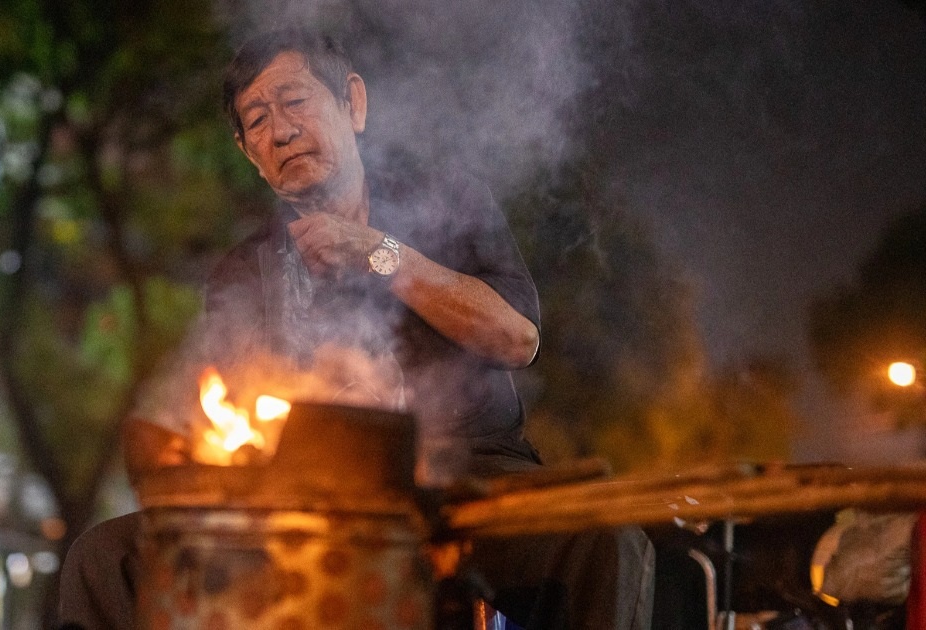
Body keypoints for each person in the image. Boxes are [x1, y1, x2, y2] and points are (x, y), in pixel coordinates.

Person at [60, 28, 654, 629]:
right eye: (258, 120)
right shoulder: (244, 271)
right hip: (307, 498)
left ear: (353, 104)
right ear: (249, 153)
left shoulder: (448, 203)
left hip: (464, 479)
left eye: (295, 101)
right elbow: (232, 416)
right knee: (104, 558)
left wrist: (379, 253)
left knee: (607, 541)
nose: (282, 130)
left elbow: (517, 339)